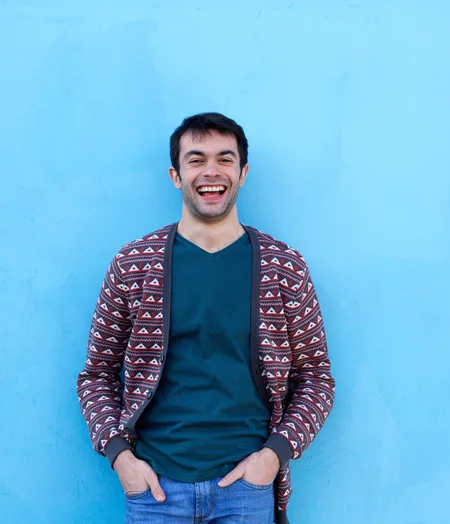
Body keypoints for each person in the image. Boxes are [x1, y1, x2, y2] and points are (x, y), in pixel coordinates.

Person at [76, 113, 335, 524]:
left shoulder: (283, 267)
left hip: (246, 491)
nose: (210, 172)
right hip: (155, 491)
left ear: (243, 172)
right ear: (176, 175)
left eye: (224, 159)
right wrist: (120, 457)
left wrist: (273, 456)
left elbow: (315, 377)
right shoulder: (134, 264)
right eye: (195, 159)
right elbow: (97, 374)